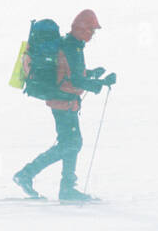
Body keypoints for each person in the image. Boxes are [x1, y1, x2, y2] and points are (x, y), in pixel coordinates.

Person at [13, 10, 115, 202]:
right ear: (83, 29)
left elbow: (69, 73)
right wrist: (99, 84)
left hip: (63, 101)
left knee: (71, 144)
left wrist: (93, 74)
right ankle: (29, 174)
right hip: (63, 102)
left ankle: (65, 187)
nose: (92, 35)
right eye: (91, 30)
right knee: (71, 144)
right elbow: (75, 79)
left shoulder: (71, 45)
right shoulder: (72, 47)